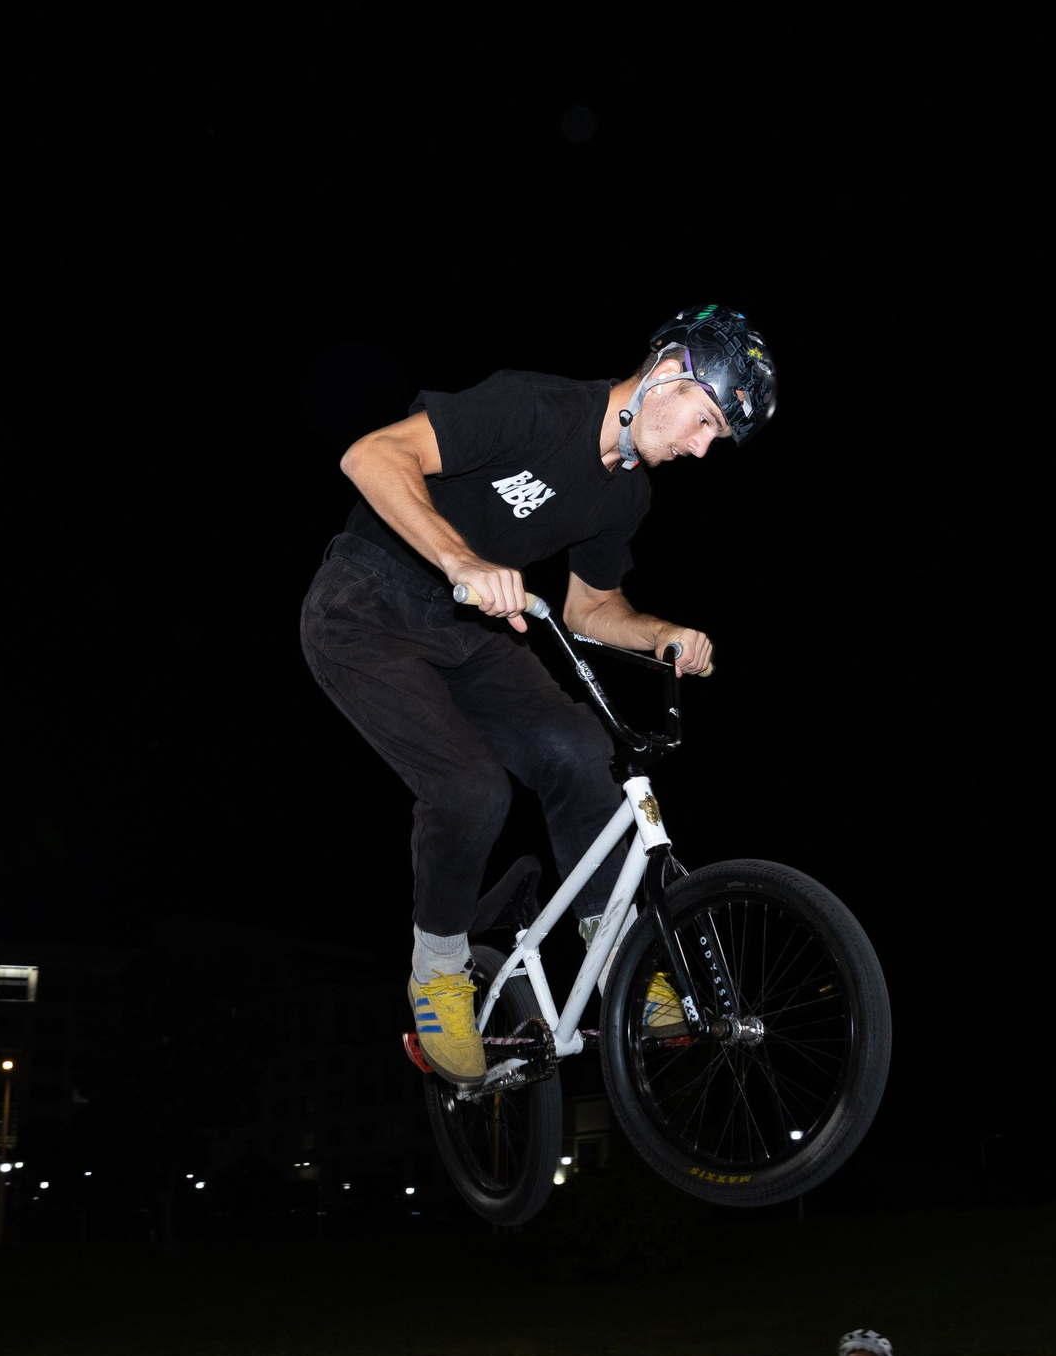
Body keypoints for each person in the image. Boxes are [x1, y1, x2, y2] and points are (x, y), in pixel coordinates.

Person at [304, 307, 778, 1082]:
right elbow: (371, 455)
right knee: (468, 789)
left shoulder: (625, 496)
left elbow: (595, 611)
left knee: (582, 750)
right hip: (365, 606)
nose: (700, 448)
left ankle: (619, 956)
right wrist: (460, 561)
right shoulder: (532, 406)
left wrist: (659, 634)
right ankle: (438, 971)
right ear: (667, 374)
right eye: (706, 421)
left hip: (475, 632)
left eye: (715, 440)